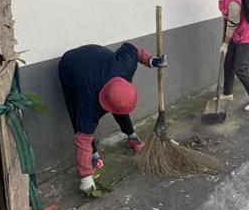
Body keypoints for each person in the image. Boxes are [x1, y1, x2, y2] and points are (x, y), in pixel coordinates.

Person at [58, 43, 167, 194]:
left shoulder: (125, 66)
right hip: (70, 65)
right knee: (77, 115)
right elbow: (82, 138)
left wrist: (151, 60)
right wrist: (86, 177)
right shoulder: (91, 102)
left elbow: (133, 50)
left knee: (119, 102)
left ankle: (131, 137)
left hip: (98, 59)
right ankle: (94, 156)